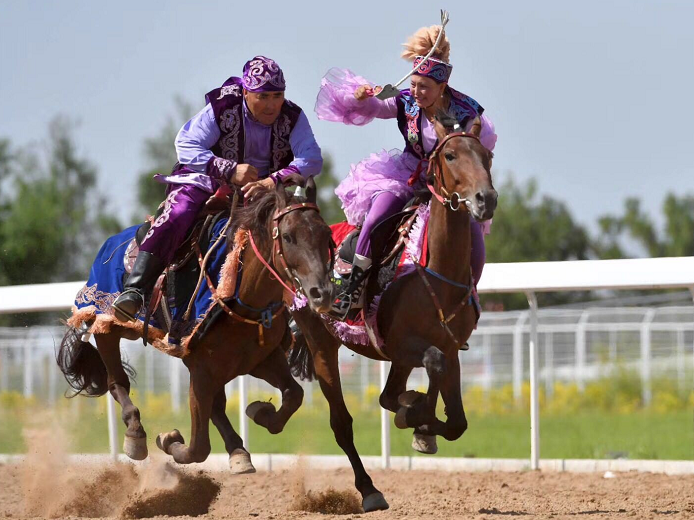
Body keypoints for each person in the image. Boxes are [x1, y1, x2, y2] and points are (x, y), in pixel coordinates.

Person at [112, 56, 323, 323]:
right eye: (263, 96)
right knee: (179, 212)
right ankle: (135, 289)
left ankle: (306, 303)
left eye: (277, 95)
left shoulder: (293, 116)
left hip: (264, 192)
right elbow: (186, 143)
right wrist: (229, 170)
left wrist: (271, 181)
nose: (272, 105)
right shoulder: (224, 106)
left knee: (302, 225)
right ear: (246, 92)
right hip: (207, 180)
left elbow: (312, 158)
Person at [315, 25, 497, 317]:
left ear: (442, 87)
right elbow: (376, 108)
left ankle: (468, 298)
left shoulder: (467, 112)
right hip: (407, 174)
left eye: (424, 87)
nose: (416, 92)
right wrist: (362, 97)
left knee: (475, 240)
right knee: (378, 215)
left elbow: (480, 152)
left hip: (449, 184)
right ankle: (352, 288)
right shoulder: (406, 101)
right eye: (413, 84)